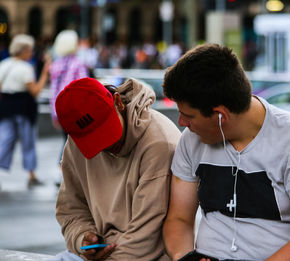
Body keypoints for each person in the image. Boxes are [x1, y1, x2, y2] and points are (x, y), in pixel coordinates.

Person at [162, 44, 290, 261]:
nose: (181, 122)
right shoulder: (191, 139)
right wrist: (185, 257)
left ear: (219, 116)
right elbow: (178, 219)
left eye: (188, 116)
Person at [54, 77, 181, 260]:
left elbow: (147, 239)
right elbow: (70, 210)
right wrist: (83, 238)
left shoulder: (160, 144)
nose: (105, 144)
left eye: (106, 130)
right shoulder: (76, 144)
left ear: (118, 102)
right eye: (92, 140)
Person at [0, 34, 50, 187]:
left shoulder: (3, 64)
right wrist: (44, 74)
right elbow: (35, 91)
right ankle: (31, 174)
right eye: (29, 50)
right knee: (28, 141)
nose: (31, 53)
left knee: (5, 140)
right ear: (23, 51)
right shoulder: (26, 68)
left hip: (6, 107)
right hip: (24, 108)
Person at [49, 30, 89, 186]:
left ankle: (62, 171)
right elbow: (84, 87)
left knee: (66, 140)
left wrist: (54, 114)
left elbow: (54, 90)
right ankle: (68, 172)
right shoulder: (78, 64)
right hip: (75, 110)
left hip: (61, 109)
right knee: (75, 141)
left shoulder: (56, 64)